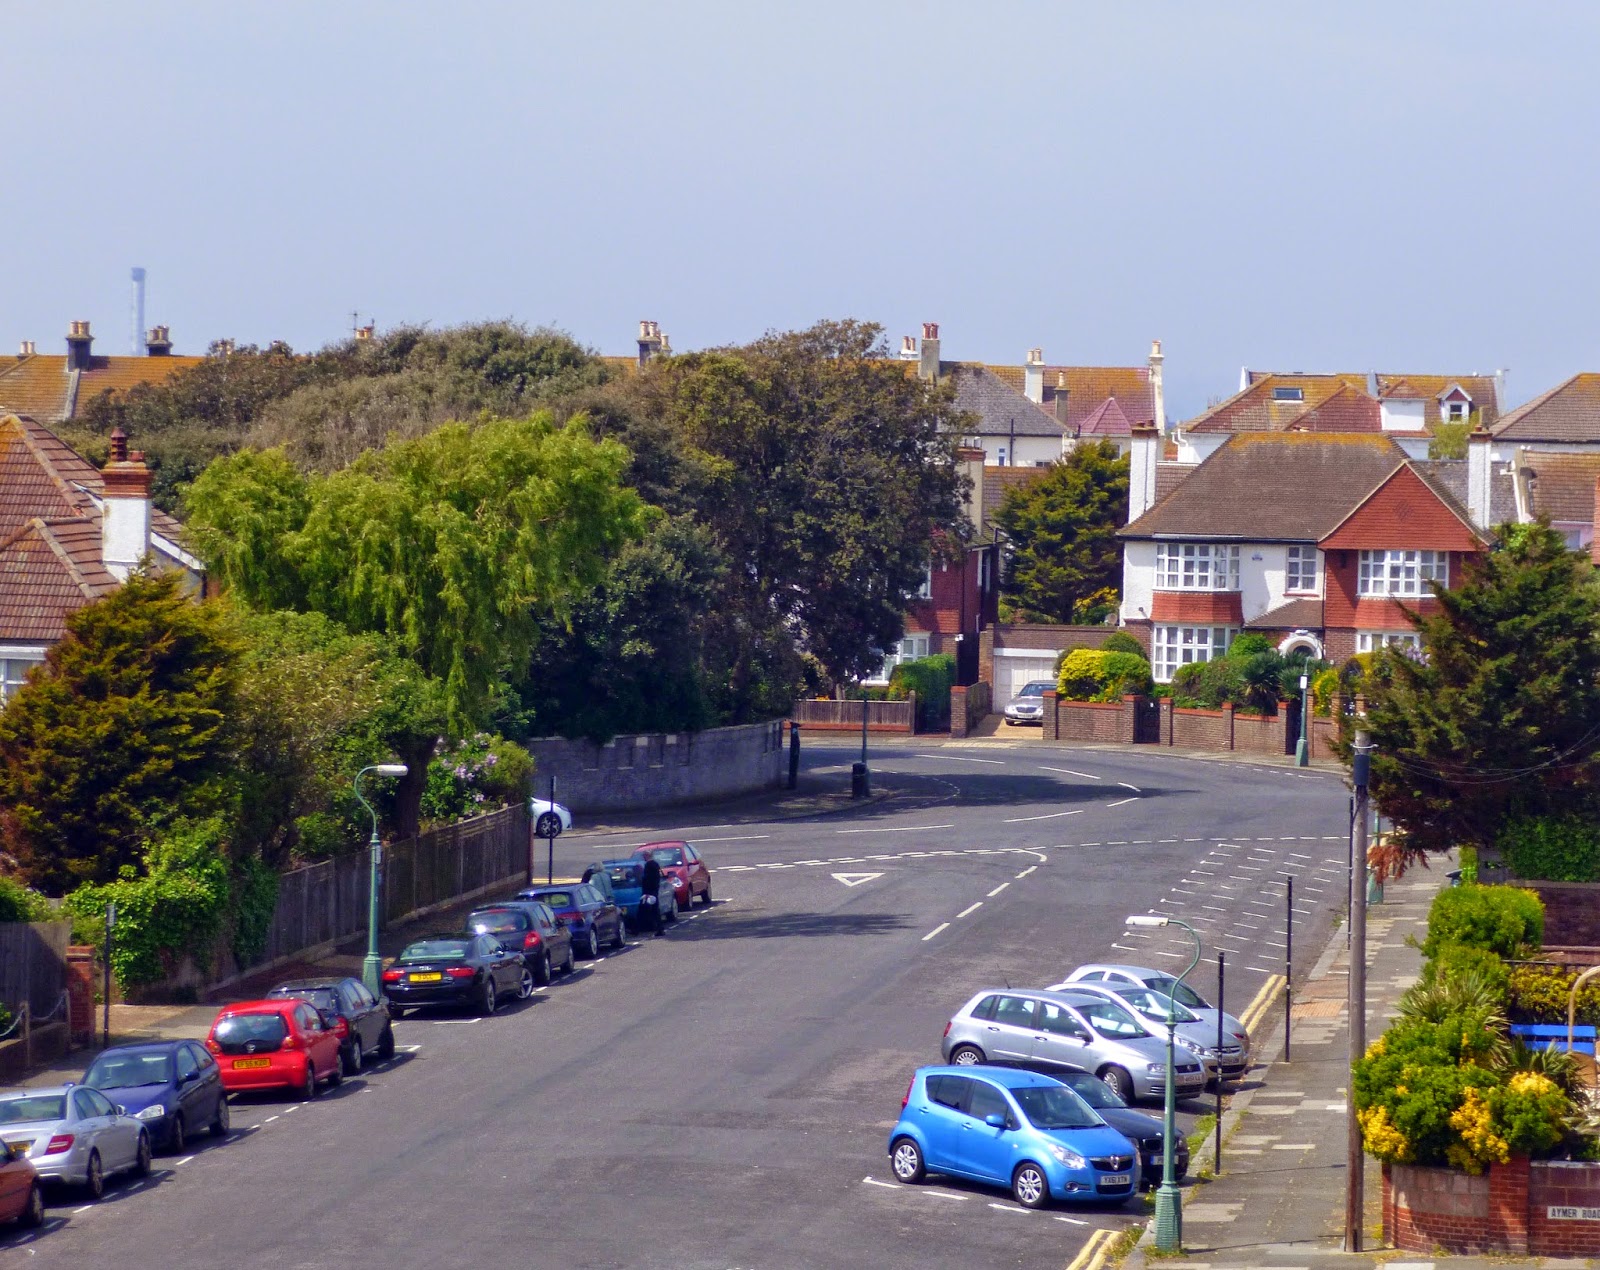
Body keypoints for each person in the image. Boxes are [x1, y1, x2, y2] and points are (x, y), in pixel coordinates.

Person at [638, 856, 665, 937]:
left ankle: (657, 928)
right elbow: (657, 878)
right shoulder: (656, 864)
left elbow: (647, 879)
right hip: (654, 890)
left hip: (649, 892)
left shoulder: (648, 866)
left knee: (649, 910)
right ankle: (659, 928)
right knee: (655, 910)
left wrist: (646, 891)